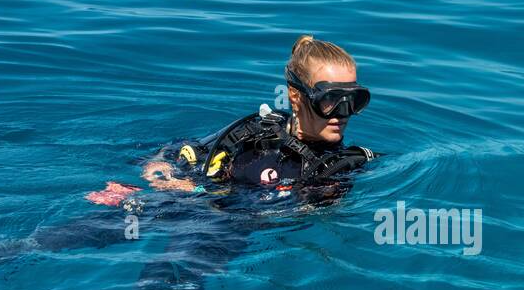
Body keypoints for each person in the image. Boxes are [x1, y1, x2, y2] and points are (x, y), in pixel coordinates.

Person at [136, 34, 374, 197]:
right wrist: (158, 167)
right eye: (330, 100)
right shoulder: (259, 129)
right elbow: (186, 150)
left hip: (225, 230)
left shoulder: (349, 164)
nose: (343, 114)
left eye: (353, 100)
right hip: (182, 203)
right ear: (295, 95)